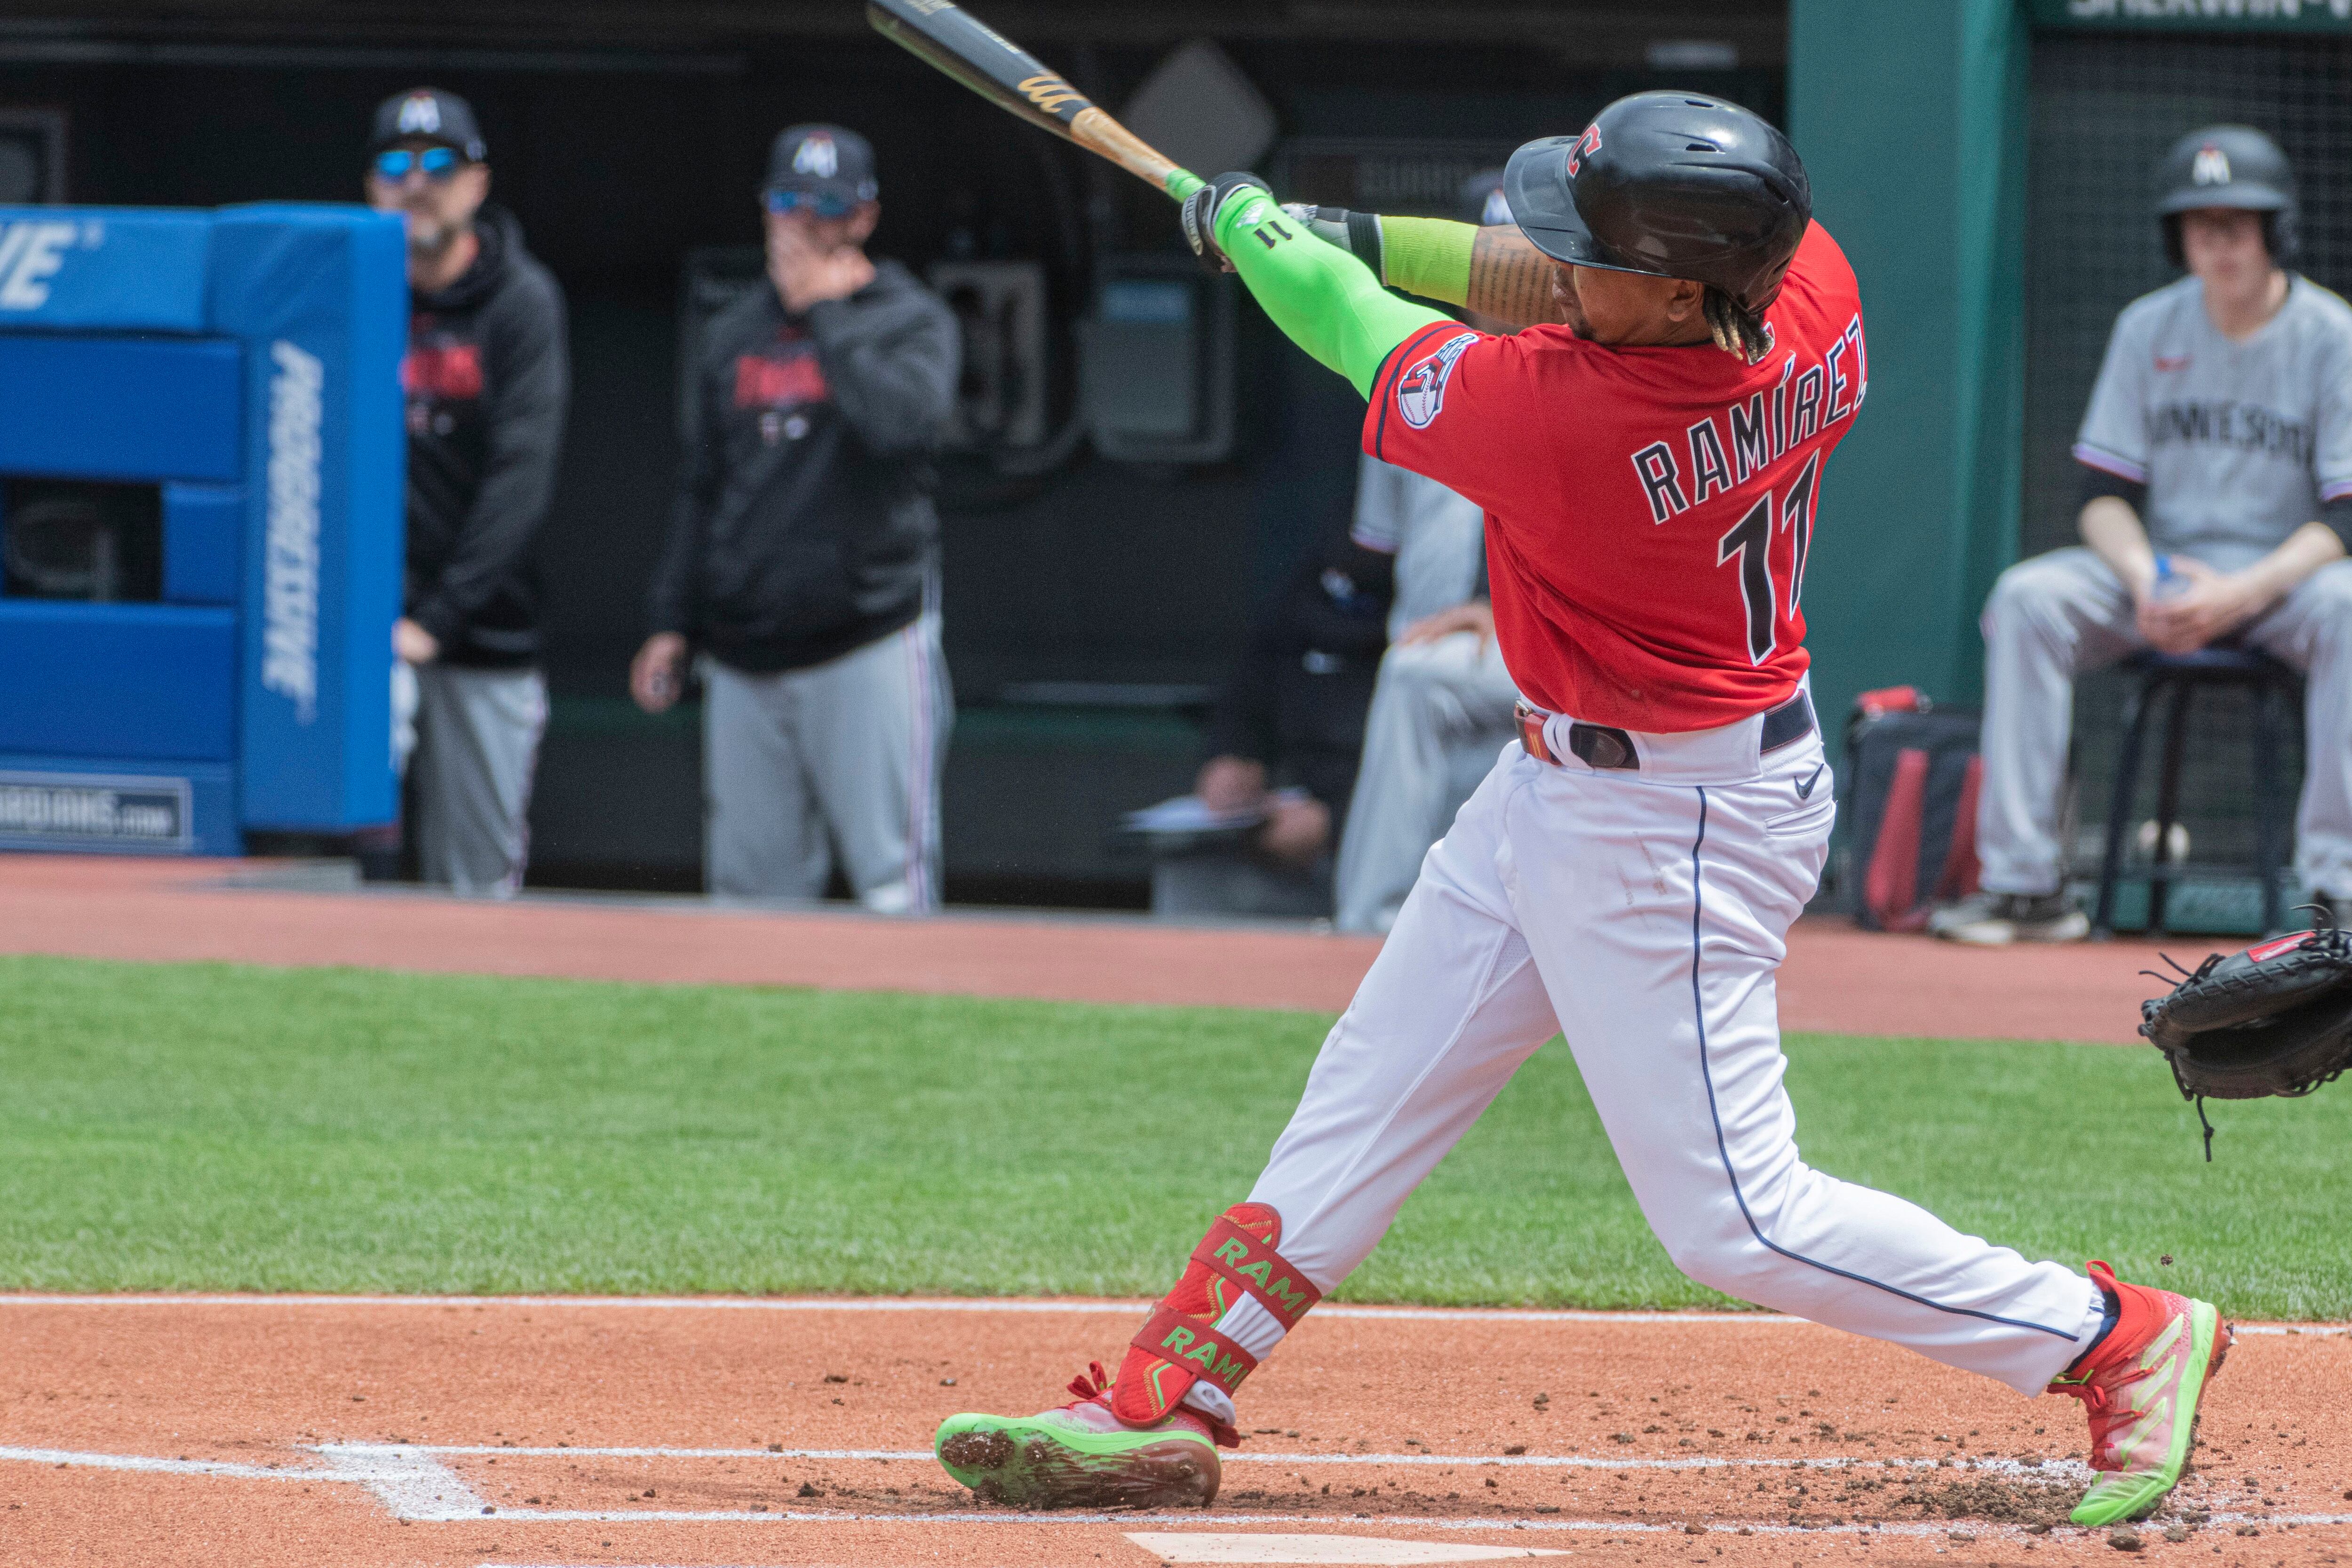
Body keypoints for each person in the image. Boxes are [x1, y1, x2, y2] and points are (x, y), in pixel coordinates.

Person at [932, 93, 2228, 1530]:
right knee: (1374, 1081)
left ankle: (2110, 1336)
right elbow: (1536, 271)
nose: (1559, 262)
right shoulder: (1805, 283)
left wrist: (1251, 232)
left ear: (1678, 283)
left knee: (1735, 1219)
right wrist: (1339, 230)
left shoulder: (1561, 421)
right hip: (1585, 781)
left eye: (1596, 248)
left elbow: (1349, 324)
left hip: (1666, 824)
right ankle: (1169, 1388)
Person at [1935, 125, 2352, 946]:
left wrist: (2238, 592)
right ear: (2177, 236)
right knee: (2029, 597)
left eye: (2237, 222)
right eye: (2201, 224)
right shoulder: (2148, 327)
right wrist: (2144, 577)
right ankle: (2026, 886)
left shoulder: (2331, 334)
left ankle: (2336, 887)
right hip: (2162, 575)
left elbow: (2343, 514)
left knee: (2351, 608)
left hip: (2278, 581)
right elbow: (2103, 495)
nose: (2218, 241)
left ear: (2276, 229)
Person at [634, 125, 960, 912]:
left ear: (864, 217)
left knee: (891, 883)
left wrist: (830, 316)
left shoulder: (909, 318)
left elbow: (904, 427)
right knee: (749, 893)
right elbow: (704, 484)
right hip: (746, 650)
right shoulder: (733, 329)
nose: (802, 224)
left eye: (825, 207)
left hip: (868, 638)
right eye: (787, 203)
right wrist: (672, 620)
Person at [366, 87, 569, 898]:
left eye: (439, 164)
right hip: (371, 629)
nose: (417, 182)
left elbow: (520, 480)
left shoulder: (520, 300)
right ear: (373, 185)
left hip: (483, 627)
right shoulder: (351, 287)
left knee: (478, 878)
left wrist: (438, 619)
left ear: (477, 183)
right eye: (396, 164)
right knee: (354, 852)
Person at [1333, 169, 1525, 934]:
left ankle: (1367, 928)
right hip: (1436, 668)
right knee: (1414, 686)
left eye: (1523, 265)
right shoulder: (1415, 377)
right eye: (1490, 264)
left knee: (1414, 684)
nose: (1503, 284)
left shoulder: (1582, 379)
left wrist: (1498, 606)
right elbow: (1374, 550)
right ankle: (1378, 926)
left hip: (1546, 654)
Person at [1171, 531, 1393, 914]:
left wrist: (1338, 821)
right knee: (1189, 868)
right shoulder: (1315, 576)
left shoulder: (1435, 597)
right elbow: (1255, 679)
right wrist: (1233, 754)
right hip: (1293, 806)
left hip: (1385, 831)